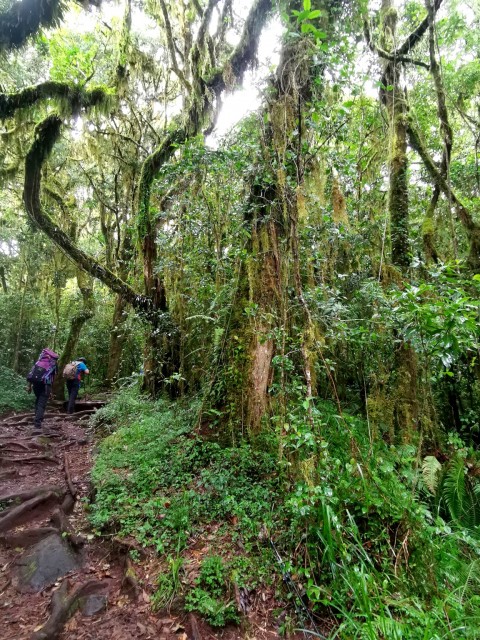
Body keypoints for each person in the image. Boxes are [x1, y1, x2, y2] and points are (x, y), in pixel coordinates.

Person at [26, 348, 59, 435]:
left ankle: (37, 418)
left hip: (36, 385)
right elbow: (53, 379)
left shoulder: (38, 362)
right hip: (46, 386)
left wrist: (29, 387)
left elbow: (31, 374)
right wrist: (51, 390)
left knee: (38, 400)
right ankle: (37, 424)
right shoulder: (53, 364)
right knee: (42, 403)